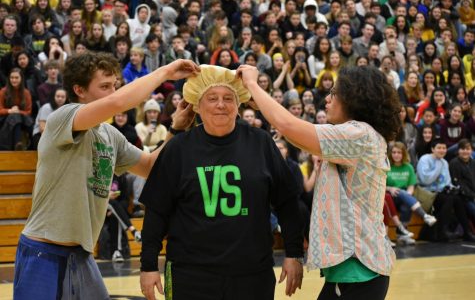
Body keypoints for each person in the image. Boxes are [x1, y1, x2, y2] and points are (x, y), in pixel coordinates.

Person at [13, 52, 200, 299]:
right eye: (104, 86)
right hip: (43, 252)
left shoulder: (110, 135)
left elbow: (151, 166)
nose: (113, 92)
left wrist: (175, 129)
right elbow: (117, 104)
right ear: (79, 89)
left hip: (81, 255)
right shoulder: (62, 117)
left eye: (115, 85)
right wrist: (164, 72)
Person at [139, 65, 304, 300]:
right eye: (212, 98)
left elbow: (287, 203)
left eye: (228, 98)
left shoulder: (261, 143)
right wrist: (148, 266)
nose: (220, 104)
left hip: (252, 274)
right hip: (190, 275)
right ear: (197, 104)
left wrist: (294, 253)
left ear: (238, 105)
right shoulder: (178, 148)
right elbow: (156, 212)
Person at [239, 64, 401, 299]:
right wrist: (263, 103)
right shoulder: (354, 135)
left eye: (334, 93)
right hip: (351, 273)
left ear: (354, 98)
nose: (327, 99)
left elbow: (289, 127)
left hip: (361, 272)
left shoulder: (360, 135)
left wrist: (253, 84)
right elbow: (298, 136)